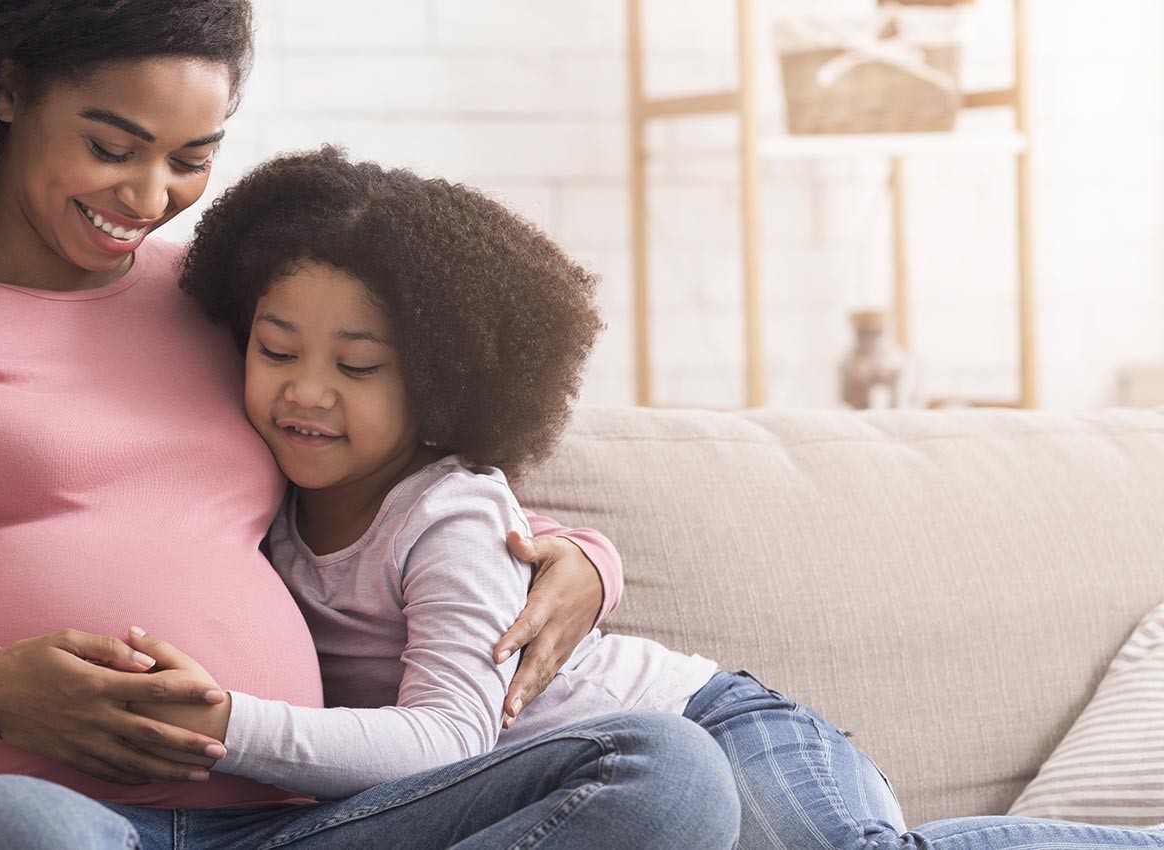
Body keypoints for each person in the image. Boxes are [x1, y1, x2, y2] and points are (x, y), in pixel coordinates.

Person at [0, 1, 742, 849]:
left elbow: (387, 481)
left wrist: (580, 557)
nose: (148, 194)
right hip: (56, 820)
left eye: (190, 157)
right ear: (8, 89)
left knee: (666, 771)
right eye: (113, 144)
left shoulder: (219, 299)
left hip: (310, 819)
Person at [70, 145, 1164, 850]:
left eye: (358, 368)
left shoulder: (444, 511)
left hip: (711, 727)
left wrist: (227, 727)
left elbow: (446, 737)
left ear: (443, 380)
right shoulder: (260, 489)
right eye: (276, 349)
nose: (306, 393)